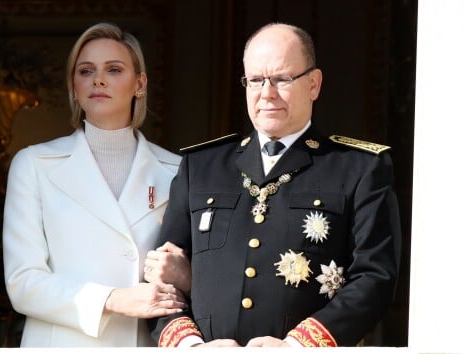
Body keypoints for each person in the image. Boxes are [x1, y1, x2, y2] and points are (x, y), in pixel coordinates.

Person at [148, 22, 401, 347]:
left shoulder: (358, 168)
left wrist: (296, 347)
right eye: (255, 80)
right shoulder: (201, 167)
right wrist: (191, 346)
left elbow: (374, 277)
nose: (266, 93)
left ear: (314, 84)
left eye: (282, 79)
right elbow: (161, 279)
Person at [2, 22, 187, 347]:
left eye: (114, 69)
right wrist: (113, 299)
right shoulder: (33, 165)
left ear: (140, 83)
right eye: (86, 71)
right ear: (74, 86)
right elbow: (23, 283)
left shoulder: (177, 172)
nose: (98, 79)